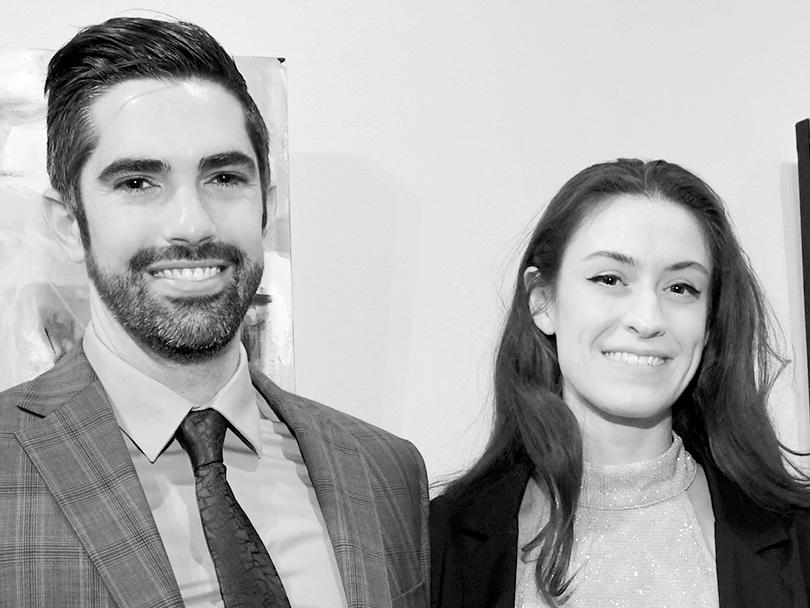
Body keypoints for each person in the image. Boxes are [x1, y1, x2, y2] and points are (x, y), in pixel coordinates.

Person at [0, 17, 428, 608]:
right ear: (71, 225)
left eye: (224, 177)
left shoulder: (385, 471)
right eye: (137, 182)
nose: (193, 224)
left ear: (265, 206)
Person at [430, 159, 810, 608]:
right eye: (609, 279)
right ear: (542, 301)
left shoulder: (798, 541)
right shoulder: (437, 544)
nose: (647, 320)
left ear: (710, 321)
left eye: (681, 288)